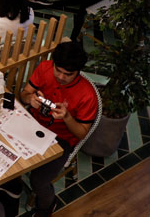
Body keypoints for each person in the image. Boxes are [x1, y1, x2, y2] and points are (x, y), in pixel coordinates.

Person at [19, 42, 98, 217]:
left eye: (67, 74)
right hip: (33, 122)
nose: (61, 77)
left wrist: (67, 117)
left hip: (61, 139)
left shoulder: (87, 94)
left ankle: (46, 207)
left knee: (39, 181)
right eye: (58, 70)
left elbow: (82, 133)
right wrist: (30, 99)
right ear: (53, 63)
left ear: (77, 71)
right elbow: (24, 94)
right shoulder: (44, 68)